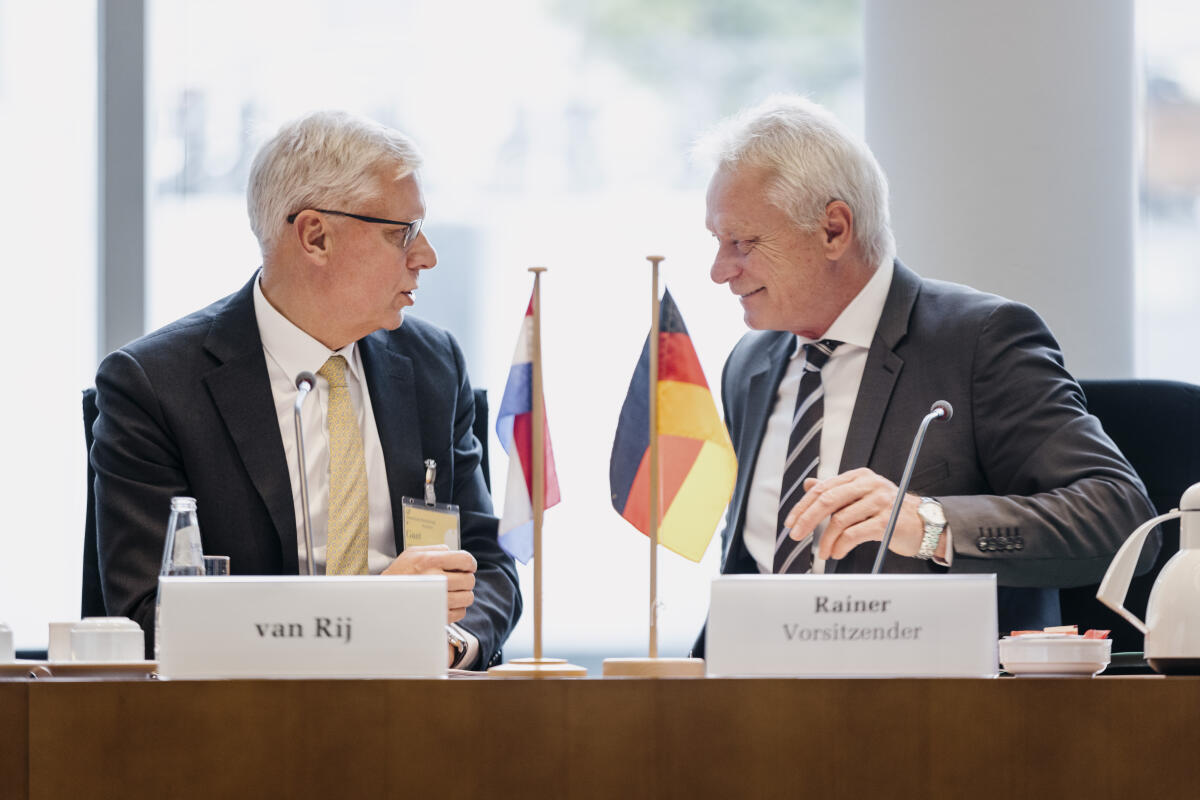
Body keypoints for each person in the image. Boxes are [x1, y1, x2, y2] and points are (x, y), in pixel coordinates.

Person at [692, 95, 1157, 655]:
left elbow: (1120, 519)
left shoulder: (981, 340)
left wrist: (931, 524)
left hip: (939, 717)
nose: (720, 271)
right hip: (761, 707)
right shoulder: (751, 363)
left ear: (834, 230)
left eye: (742, 243)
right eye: (717, 243)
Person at [91, 111, 520, 668]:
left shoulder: (433, 365)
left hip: (422, 715)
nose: (427, 256)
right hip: (243, 726)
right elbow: (152, 616)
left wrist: (452, 645)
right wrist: (371, 614)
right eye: (402, 234)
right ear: (315, 236)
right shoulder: (155, 387)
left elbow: (486, 562)